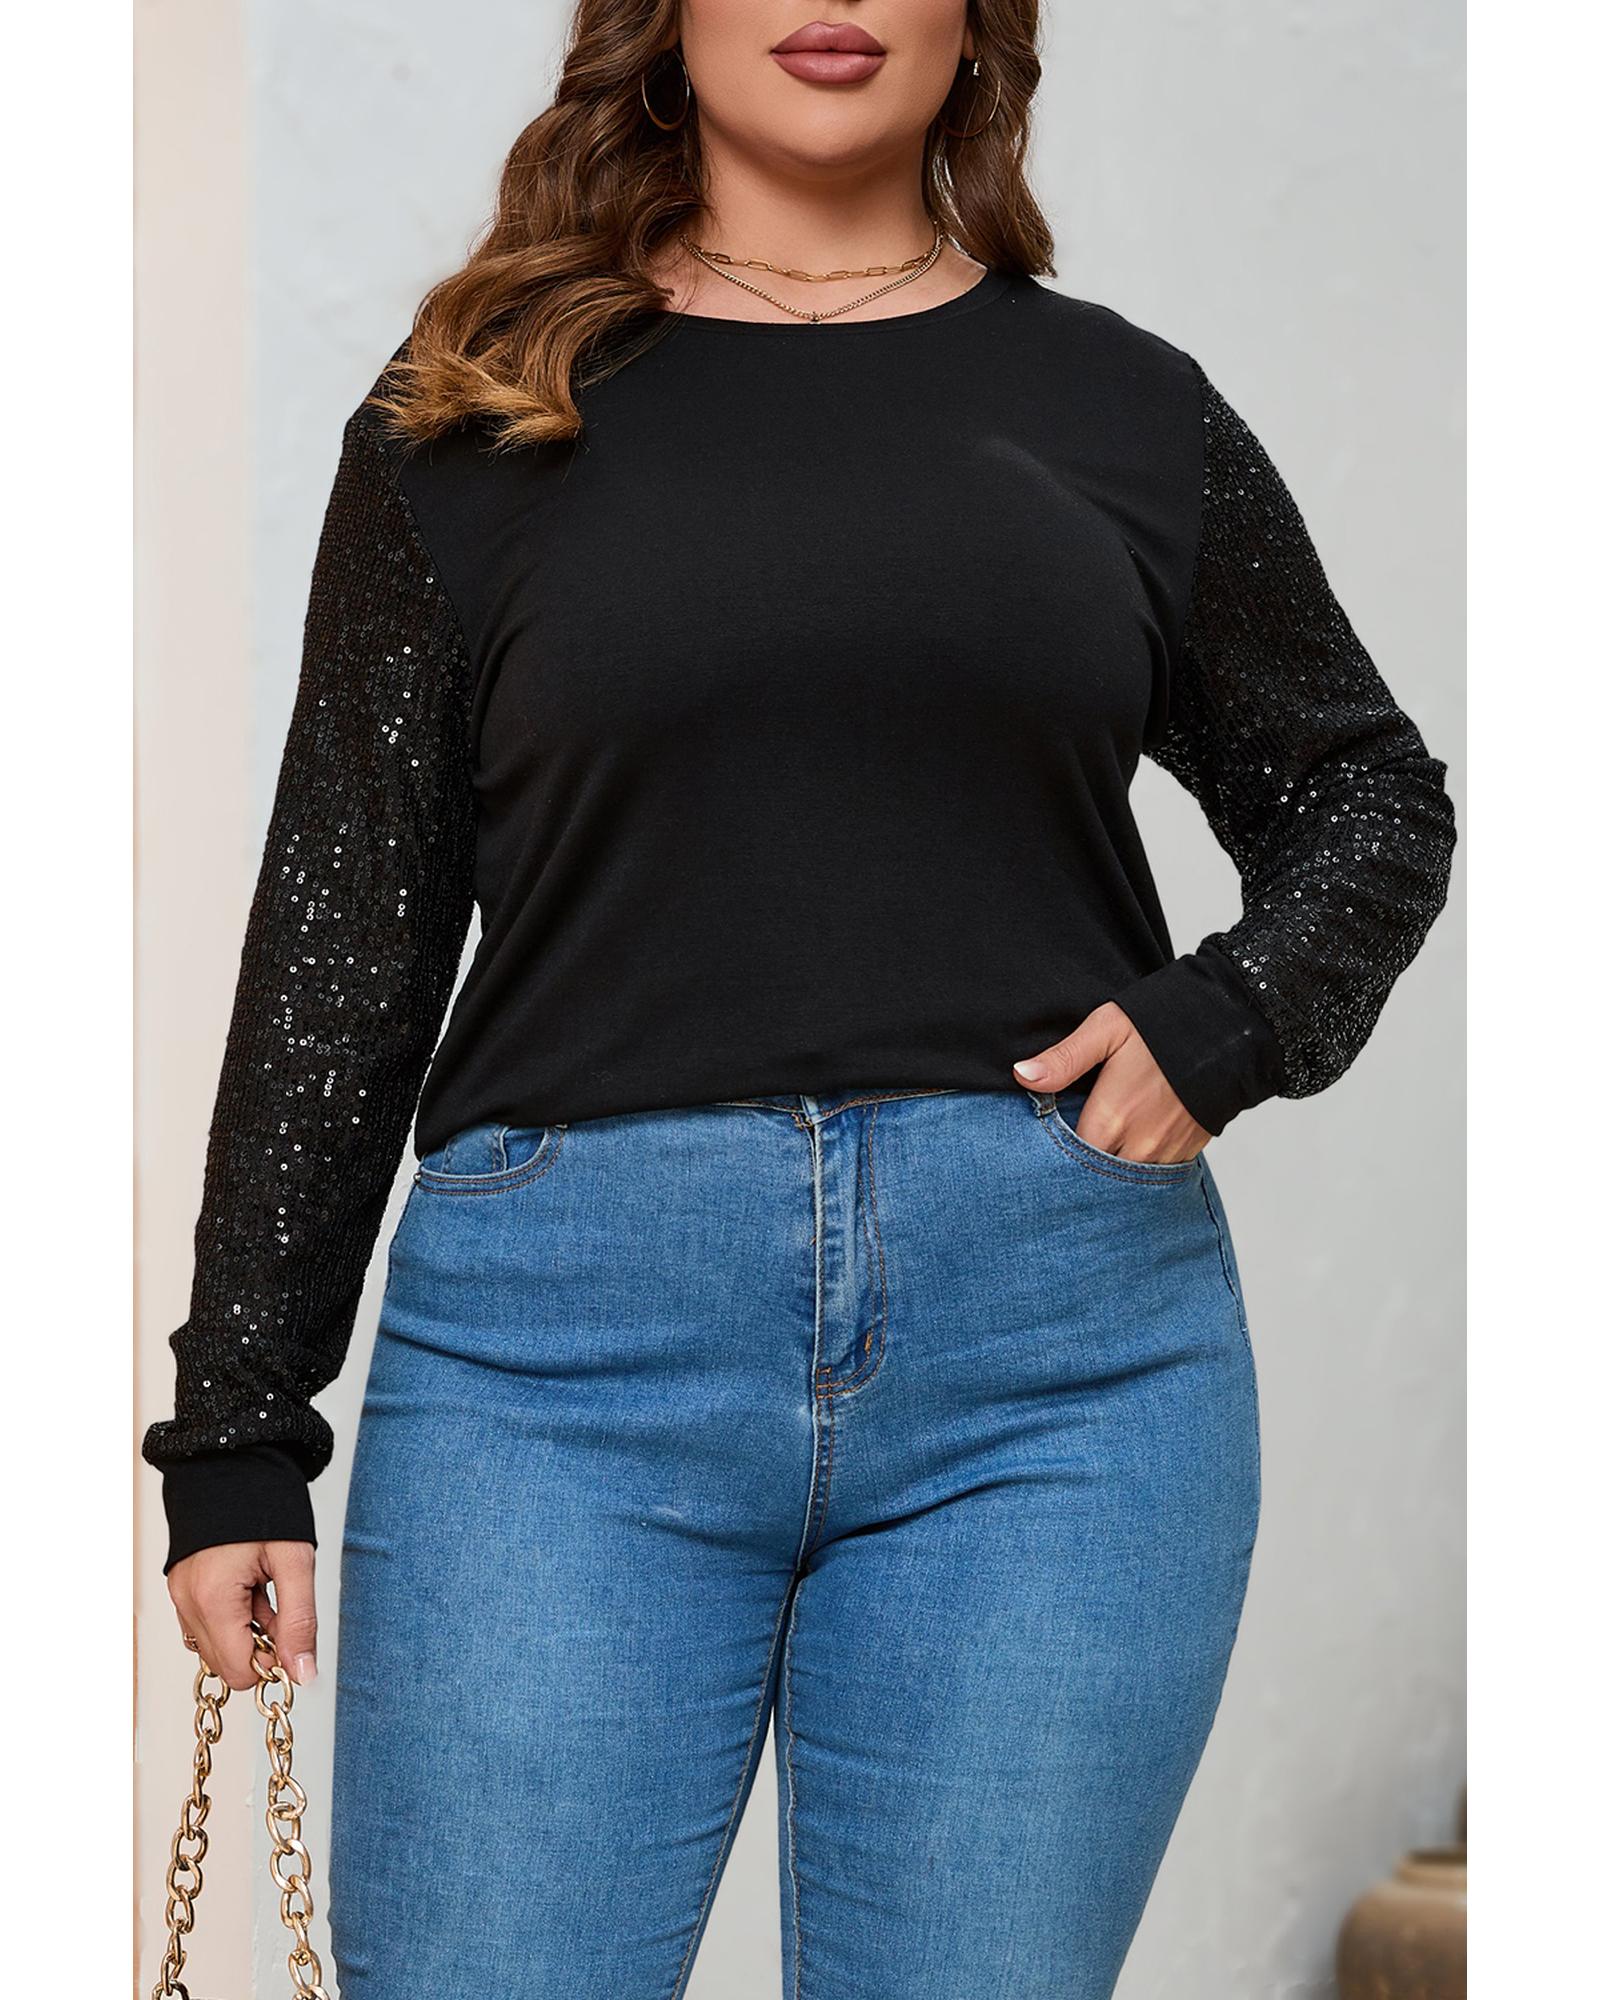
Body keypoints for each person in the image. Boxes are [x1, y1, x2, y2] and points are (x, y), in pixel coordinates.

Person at [142, 4, 1457, 1994]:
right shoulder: (470, 421)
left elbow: (1364, 792)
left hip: (1057, 1378)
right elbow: (346, 945)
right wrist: (241, 1426)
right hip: (556, 1375)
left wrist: (1232, 1019)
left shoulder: (1122, 409)